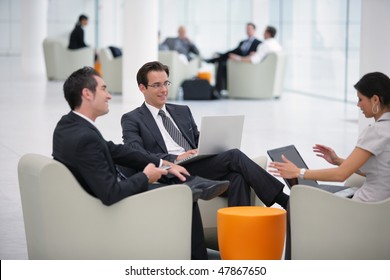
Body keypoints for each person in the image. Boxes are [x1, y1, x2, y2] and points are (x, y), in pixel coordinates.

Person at [52, 66, 230, 260]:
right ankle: (197, 261)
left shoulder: (68, 125)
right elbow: (110, 194)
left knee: (179, 183)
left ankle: (196, 187)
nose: (109, 96)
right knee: (184, 194)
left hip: (90, 197)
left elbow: (117, 151)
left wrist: (164, 163)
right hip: (108, 205)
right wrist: (146, 176)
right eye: (103, 89)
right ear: (87, 94)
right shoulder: (85, 137)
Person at [121, 61, 290, 210]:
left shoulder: (181, 111)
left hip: (196, 163)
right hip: (171, 171)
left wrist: (213, 142)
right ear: (142, 88)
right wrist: (176, 158)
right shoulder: (132, 119)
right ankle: (284, 201)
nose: (164, 90)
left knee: (237, 178)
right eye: (157, 85)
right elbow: (136, 152)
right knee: (234, 156)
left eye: (166, 83)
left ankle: (238, 238)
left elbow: (196, 138)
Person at [269, 71, 390, 202]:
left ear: (375, 99)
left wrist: (298, 172)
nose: (358, 104)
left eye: (361, 99)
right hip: (381, 209)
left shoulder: (376, 131)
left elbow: (341, 175)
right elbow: (379, 172)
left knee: (299, 201)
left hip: (363, 207)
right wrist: (337, 160)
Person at [204, 22, 262, 94]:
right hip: (234, 61)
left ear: (254, 30)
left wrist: (238, 58)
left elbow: (256, 57)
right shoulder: (242, 42)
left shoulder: (259, 43)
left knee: (225, 58)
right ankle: (218, 89)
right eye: (246, 29)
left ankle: (213, 60)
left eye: (249, 29)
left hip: (243, 63)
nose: (248, 31)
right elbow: (234, 51)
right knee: (222, 62)